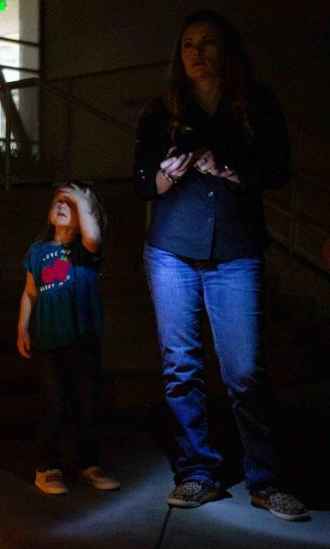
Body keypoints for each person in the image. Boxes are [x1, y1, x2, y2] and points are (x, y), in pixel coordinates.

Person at [133, 10, 306, 521]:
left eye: (207, 44)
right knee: (180, 369)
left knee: (246, 371)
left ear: (226, 50)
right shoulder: (161, 110)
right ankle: (197, 473)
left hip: (235, 252)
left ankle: (266, 481)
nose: (197, 54)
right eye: (188, 45)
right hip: (171, 250)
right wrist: (166, 175)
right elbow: (142, 180)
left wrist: (229, 167)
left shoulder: (255, 104)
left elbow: (276, 170)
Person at [17, 183, 119, 495]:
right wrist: (22, 328)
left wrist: (82, 200)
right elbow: (30, 292)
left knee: (86, 404)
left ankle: (89, 464)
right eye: (59, 201)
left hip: (83, 340)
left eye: (71, 204)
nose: (63, 205)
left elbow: (93, 235)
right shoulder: (38, 252)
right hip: (49, 342)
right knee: (54, 403)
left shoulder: (85, 251)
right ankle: (47, 467)